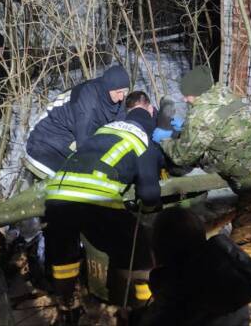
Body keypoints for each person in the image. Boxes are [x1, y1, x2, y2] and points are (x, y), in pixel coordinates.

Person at [44, 92, 163, 325]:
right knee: (139, 252)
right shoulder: (142, 141)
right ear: (149, 113)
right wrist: (151, 210)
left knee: (64, 251)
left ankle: (69, 307)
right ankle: (143, 310)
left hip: (57, 194)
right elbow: (149, 194)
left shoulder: (104, 131)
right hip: (96, 198)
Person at [152, 65, 251, 261]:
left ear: (198, 93)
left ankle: (246, 286)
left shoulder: (201, 114)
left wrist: (164, 140)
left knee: (244, 246)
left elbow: (182, 157)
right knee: (247, 235)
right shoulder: (225, 96)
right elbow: (219, 131)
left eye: (188, 95)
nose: (184, 99)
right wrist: (187, 128)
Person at [130, 207, 251, 326]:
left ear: (159, 252)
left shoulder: (176, 298)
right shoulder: (227, 277)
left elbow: (173, 313)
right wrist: (135, 317)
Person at [25, 64, 130, 179]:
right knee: (74, 183)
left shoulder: (117, 99)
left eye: (125, 92)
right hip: (45, 144)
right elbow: (84, 142)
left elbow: (120, 127)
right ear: (108, 87)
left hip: (67, 142)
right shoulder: (89, 100)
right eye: (119, 92)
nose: (121, 97)